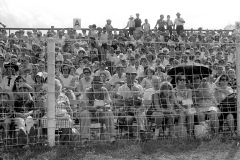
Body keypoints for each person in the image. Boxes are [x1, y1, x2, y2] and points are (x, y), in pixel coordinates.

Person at [79, 76, 115, 143]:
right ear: (92, 84)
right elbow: (84, 105)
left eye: (98, 83)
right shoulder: (88, 91)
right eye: (94, 83)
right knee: (85, 113)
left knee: (109, 113)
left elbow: (109, 104)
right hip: (89, 111)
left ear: (101, 84)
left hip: (100, 112)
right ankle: (84, 138)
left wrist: (102, 108)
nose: (96, 85)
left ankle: (112, 137)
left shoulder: (104, 90)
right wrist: (93, 108)